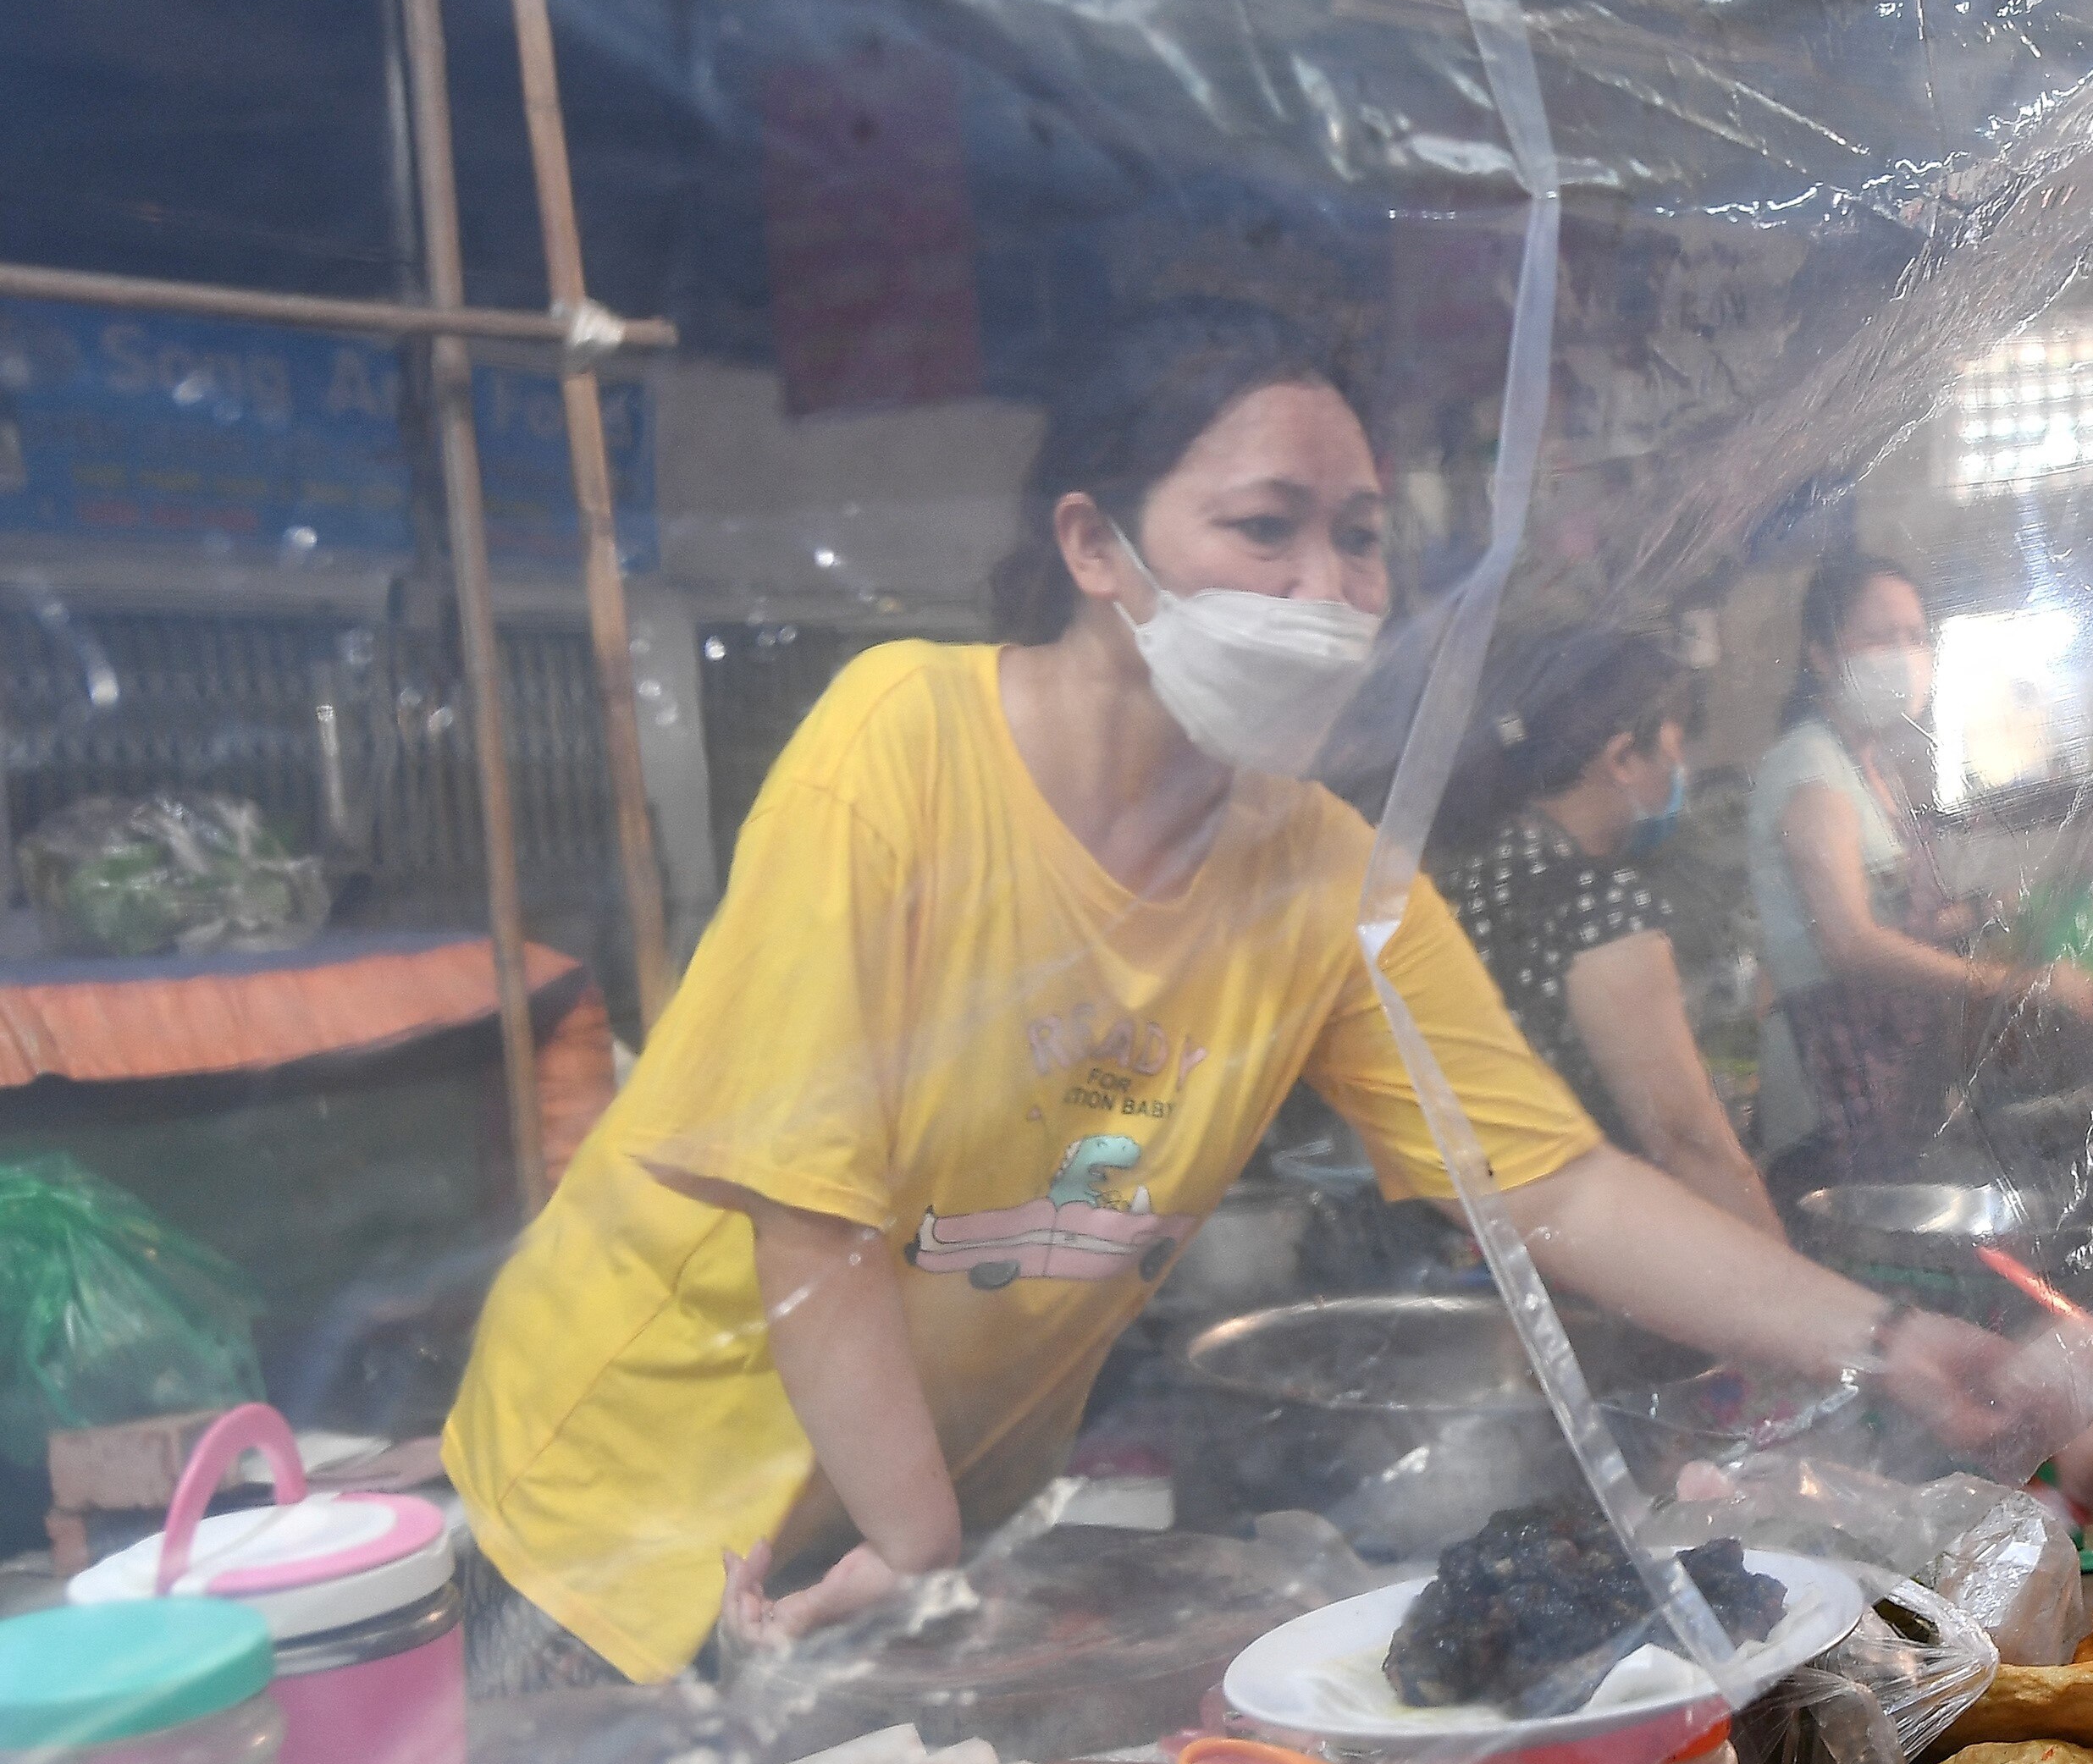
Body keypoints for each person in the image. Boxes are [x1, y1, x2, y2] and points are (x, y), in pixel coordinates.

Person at [438, 305, 2007, 1690]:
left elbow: (1557, 1181)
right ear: (1093, 546)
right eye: (1265, 528)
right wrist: (919, 1541)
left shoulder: (1319, 870)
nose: (1326, 586)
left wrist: (1890, 1340)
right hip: (620, 1511)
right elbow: (809, 1209)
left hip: (889, 1537)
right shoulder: (898, 744)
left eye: (1362, 537)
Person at [1747, 552, 2092, 1192]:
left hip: (1886, 1080)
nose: (1903, 655)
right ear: (1821, 655)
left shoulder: (1869, 767)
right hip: (1831, 1091)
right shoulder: (1810, 772)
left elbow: (1896, 916)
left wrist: (1986, 911)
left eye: (1915, 636)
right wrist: (2014, 984)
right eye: (1878, 637)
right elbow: (1850, 942)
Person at [1438, 631, 1778, 1232]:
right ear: (1622, 759)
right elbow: (1687, 1141)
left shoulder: (1466, 877)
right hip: (1589, 1245)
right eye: (1673, 750)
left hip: (1477, 1233)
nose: (1681, 773)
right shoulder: (1598, 907)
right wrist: (1794, 1293)